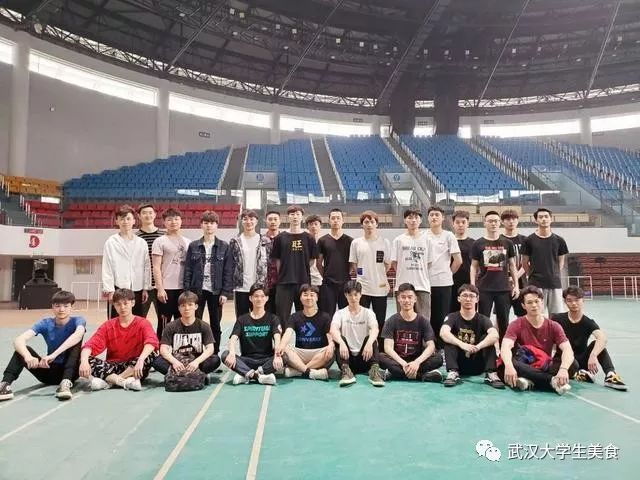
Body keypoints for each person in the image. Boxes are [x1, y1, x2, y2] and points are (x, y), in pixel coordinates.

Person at [0, 291, 85, 402]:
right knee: (22, 350)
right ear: (52, 307)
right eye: (57, 306)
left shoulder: (78, 321)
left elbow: (78, 335)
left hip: (71, 372)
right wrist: (28, 357)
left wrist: (53, 355)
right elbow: (18, 340)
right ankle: (5, 385)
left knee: (75, 342)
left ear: (71, 307)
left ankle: (65, 384)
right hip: (49, 371)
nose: (61, 309)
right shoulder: (45, 323)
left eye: (66, 306)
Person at [499, 286, 577, 395]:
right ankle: (551, 381)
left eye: (537, 301)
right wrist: (509, 366)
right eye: (529, 302)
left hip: (544, 364)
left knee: (573, 364)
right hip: (524, 364)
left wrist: (563, 369)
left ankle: (531, 380)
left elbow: (567, 349)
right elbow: (505, 346)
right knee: (508, 363)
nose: (534, 305)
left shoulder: (554, 326)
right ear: (523, 306)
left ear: (542, 302)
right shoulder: (516, 324)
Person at [79, 289, 159, 392]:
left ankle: (110, 382)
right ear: (114, 306)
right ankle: (124, 382)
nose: (122, 307)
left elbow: (151, 342)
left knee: (151, 354)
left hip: (134, 367)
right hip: (112, 367)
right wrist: (84, 362)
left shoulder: (143, 323)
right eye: (118, 304)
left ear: (133, 303)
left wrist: (140, 360)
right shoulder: (108, 325)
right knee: (84, 357)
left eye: (125, 303)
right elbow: (89, 345)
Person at [552, 286, 627, 391]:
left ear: (583, 301)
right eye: (569, 300)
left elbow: (602, 337)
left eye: (577, 300)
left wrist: (593, 355)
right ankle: (578, 373)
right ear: (565, 302)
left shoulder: (588, 322)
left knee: (597, 344)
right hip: (564, 360)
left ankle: (610, 375)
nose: (573, 303)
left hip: (582, 360)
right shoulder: (557, 319)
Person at [183, 211, 233, 354]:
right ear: (201, 225)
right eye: (206, 223)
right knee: (195, 322)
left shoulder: (224, 246)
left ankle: (214, 353)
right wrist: (187, 292)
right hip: (196, 291)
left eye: (212, 223)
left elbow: (228, 271)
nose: (209, 226)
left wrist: (225, 292)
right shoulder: (193, 246)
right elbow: (188, 269)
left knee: (215, 324)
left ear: (217, 225)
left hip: (216, 291)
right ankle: (195, 351)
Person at [440, 284, 504, 389]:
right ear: (458, 298)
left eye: (471, 296)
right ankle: (453, 372)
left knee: (488, 338)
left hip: (478, 364)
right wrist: (462, 344)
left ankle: (491, 373)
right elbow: (443, 333)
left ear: (477, 299)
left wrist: (478, 347)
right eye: (465, 295)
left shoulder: (484, 319)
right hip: (459, 364)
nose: (468, 299)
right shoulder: (452, 317)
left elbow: (495, 335)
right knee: (450, 339)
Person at [470, 211, 519, 341]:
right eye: (490, 221)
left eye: (496, 221)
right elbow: (473, 266)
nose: (493, 223)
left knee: (504, 322)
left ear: (500, 223)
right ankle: (483, 348)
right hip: (484, 289)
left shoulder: (507, 243)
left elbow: (512, 265)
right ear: (485, 223)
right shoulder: (478, 244)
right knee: (483, 321)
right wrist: (473, 286)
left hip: (503, 289)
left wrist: (516, 286)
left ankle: (505, 349)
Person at [379, 283, 443, 382]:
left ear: (415, 299)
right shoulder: (391, 321)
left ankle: (395, 373)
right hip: (398, 360)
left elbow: (431, 346)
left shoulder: (423, 321)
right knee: (380, 357)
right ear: (398, 299)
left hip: (417, 360)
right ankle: (422, 376)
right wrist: (403, 364)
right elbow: (388, 348)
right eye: (403, 297)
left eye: (410, 297)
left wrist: (417, 362)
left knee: (438, 358)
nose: (406, 300)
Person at [221, 283, 283, 385]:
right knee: (225, 355)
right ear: (250, 298)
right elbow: (233, 339)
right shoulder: (242, 319)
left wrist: (277, 355)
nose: (259, 299)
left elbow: (277, 338)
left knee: (284, 355)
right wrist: (232, 353)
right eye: (256, 296)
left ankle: (246, 374)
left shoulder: (273, 318)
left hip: (266, 360)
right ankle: (259, 376)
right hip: (246, 360)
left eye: (262, 296)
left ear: (267, 298)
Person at [330, 280, 385, 387]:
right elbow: (333, 329)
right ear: (346, 295)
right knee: (339, 339)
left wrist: (369, 343)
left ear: (360, 294)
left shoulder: (368, 313)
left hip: (365, 357)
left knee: (371, 338)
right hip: (347, 358)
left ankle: (374, 371)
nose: (353, 298)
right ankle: (346, 372)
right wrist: (341, 343)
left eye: (356, 294)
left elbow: (375, 329)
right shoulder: (340, 313)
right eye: (350, 295)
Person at [154, 291, 221, 377]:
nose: (187, 308)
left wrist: (196, 362)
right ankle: (196, 375)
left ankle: (179, 375)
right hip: (178, 361)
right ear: (179, 308)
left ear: (196, 306)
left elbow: (210, 348)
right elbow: (163, 349)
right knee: (157, 361)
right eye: (183, 305)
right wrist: (175, 362)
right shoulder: (171, 326)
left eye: (190, 305)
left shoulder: (204, 326)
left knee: (215, 360)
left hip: (196, 361)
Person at [270, 205, 318, 326]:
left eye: (297, 214)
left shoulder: (309, 238)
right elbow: (278, 261)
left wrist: (301, 269)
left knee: (304, 315)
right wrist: (285, 272)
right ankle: (283, 338)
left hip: (303, 283)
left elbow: (312, 260)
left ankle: (303, 339)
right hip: (284, 283)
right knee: (282, 317)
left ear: (302, 217)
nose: (295, 217)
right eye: (292, 214)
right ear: (288, 217)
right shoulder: (280, 238)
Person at [102, 204, 151, 319]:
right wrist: (110, 290)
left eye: (128, 218)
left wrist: (145, 288)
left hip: (138, 289)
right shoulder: (111, 242)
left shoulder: (141, 242)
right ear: (117, 221)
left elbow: (147, 266)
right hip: (118, 288)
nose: (125, 222)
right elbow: (107, 267)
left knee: (137, 320)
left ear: (134, 221)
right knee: (116, 321)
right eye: (122, 219)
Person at [277, 284, 334, 380]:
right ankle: (310, 372)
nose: (309, 298)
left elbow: (330, 337)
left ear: (317, 298)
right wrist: (281, 346)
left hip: (318, 354)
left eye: (312, 295)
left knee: (332, 348)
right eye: (305, 295)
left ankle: (298, 371)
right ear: (300, 298)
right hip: (300, 355)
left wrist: (331, 345)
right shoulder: (294, 316)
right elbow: (288, 333)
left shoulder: (325, 317)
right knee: (284, 348)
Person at [425, 206, 462, 349]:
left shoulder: (449, 236)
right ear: (428, 218)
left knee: (442, 317)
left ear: (443, 218)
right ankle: (428, 347)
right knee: (427, 317)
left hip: (444, 284)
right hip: (425, 284)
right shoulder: (422, 236)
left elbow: (458, 260)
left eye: (437, 215)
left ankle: (442, 348)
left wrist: (447, 273)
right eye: (431, 215)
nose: (434, 217)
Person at [521, 208, 569, 315]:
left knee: (556, 316)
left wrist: (553, 274)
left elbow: (561, 262)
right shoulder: (528, 240)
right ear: (536, 220)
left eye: (546, 216)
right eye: (541, 217)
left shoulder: (559, 240)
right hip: (536, 284)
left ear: (551, 219)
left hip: (554, 284)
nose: (544, 219)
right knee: (537, 315)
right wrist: (532, 275)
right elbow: (524, 263)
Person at [349, 210, 391, 334]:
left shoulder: (385, 242)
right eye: (366, 222)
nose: (369, 225)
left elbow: (387, 264)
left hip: (380, 287)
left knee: (380, 319)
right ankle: (363, 341)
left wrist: (378, 275)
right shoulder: (356, 243)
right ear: (362, 224)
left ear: (376, 224)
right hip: (363, 288)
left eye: (372, 222)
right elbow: (354, 264)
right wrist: (363, 275)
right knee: (362, 319)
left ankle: (379, 342)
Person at [152, 208, 191, 339]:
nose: (173, 222)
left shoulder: (188, 242)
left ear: (181, 221)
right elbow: (156, 267)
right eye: (169, 219)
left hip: (183, 289)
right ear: (164, 222)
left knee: (183, 321)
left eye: (176, 219)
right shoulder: (160, 241)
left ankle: (181, 348)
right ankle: (162, 348)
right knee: (164, 322)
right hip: (166, 289)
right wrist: (160, 288)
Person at [229, 209, 272, 317]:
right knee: (242, 318)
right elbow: (231, 264)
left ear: (256, 221)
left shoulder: (265, 241)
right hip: (241, 287)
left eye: (251, 219)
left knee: (261, 318)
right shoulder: (235, 241)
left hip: (260, 287)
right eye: (245, 219)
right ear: (241, 221)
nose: (248, 222)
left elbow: (270, 263)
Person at [391, 208, 432, 319]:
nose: (413, 220)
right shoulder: (398, 240)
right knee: (403, 320)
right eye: (410, 217)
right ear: (405, 220)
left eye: (416, 217)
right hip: (402, 286)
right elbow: (394, 263)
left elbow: (429, 263)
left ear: (420, 220)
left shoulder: (428, 240)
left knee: (424, 320)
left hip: (422, 286)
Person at [317, 208, 353, 317]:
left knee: (346, 315)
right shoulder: (322, 240)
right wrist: (326, 275)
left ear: (343, 221)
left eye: (338, 218)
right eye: (333, 218)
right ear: (329, 221)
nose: (335, 220)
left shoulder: (350, 241)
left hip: (345, 283)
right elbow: (319, 263)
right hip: (328, 284)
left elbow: (352, 263)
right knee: (327, 315)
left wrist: (345, 274)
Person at [137, 203, 164, 318]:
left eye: (150, 213)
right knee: (139, 319)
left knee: (164, 319)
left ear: (155, 215)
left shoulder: (164, 235)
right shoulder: (135, 237)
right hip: (142, 286)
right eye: (144, 213)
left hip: (161, 285)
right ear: (139, 216)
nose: (147, 215)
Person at [500, 209, 527, 317]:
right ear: (502, 222)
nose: (511, 221)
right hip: (502, 284)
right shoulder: (498, 240)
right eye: (507, 219)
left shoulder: (525, 240)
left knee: (523, 316)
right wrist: (507, 278)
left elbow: (528, 262)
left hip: (522, 284)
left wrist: (515, 277)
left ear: (517, 220)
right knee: (501, 317)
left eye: (513, 219)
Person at [451, 210, 474, 313]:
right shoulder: (448, 241)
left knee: (468, 312)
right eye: (457, 222)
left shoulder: (474, 243)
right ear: (453, 224)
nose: (460, 225)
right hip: (451, 283)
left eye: (463, 222)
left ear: (468, 224)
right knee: (451, 311)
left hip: (468, 282)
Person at [264, 210, 281, 315]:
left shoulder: (285, 238)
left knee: (280, 314)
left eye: (275, 219)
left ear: (280, 221)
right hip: (265, 283)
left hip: (282, 283)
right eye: (270, 219)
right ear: (265, 221)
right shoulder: (260, 239)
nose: (273, 222)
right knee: (266, 314)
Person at [306, 214, 324, 289]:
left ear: (320, 226)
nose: (313, 226)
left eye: (316, 224)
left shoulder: (324, 242)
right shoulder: (304, 242)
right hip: (306, 278)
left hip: (321, 279)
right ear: (307, 227)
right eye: (311, 224)